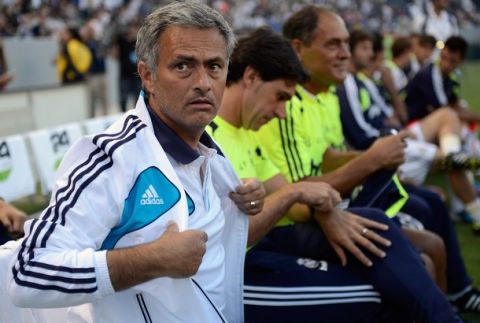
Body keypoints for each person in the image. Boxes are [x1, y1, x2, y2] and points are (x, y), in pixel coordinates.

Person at [8, 2, 262, 322]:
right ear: (147, 75)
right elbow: (28, 274)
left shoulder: (209, 152)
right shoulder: (111, 158)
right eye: (183, 66)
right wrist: (149, 261)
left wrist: (241, 201)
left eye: (214, 66)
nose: (203, 82)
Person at [209, 26, 461, 322]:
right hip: (235, 275)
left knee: (384, 233)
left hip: (268, 247)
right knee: (382, 295)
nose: (281, 113)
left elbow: (296, 199)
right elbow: (230, 237)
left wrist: (327, 213)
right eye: (279, 97)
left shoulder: (246, 131)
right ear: (251, 77)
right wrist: (296, 193)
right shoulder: (208, 139)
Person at [337, 29, 480, 313]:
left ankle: (459, 170)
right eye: (364, 48)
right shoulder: (345, 86)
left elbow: (385, 120)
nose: (344, 54)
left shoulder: (356, 85)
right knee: (434, 200)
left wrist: (391, 118)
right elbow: (362, 136)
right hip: (376, 157)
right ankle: (460, 170)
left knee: (436, 192)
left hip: (385, 147)